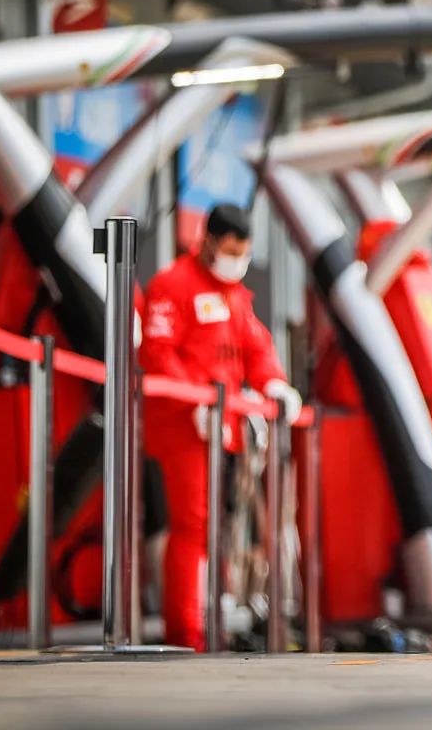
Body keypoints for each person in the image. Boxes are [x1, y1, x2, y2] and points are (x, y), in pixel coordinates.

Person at [139, 203, 302, 652]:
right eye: (232, 250)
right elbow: (157, 352)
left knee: (218, 530)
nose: (238, 259)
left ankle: (211, 626)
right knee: (194, 527)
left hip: (223, 431)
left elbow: (256, 346)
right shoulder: (172, 285)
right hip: (182, 429)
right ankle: (186, 634)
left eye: (244, 252)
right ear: (209, 241)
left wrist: (274, 383)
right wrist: (195, 396)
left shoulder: (234, 295)